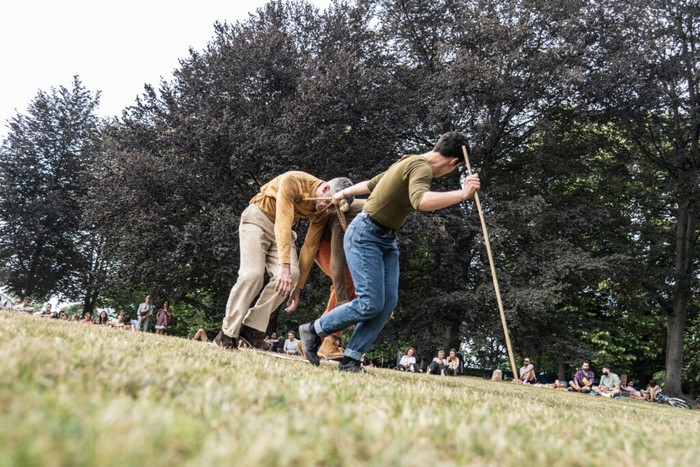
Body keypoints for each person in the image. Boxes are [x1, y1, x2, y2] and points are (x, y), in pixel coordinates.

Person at [299, 132, 481, 373]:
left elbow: (372, 184)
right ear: (453, 163)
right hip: (366, 234)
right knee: (370, 302)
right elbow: (421, 201)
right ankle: (313, 330)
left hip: (385, 240)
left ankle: (351, 359)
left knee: (385, 305)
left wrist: (342, 193)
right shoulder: (421, 168)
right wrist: (462, 194)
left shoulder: (407, 161)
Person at [214, 172, 353, 351]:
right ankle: (227, 334)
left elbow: (310, 247)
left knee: (293, 275)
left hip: (283, 233)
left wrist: (298, 287)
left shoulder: (322, 210)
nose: (327, 210)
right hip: (257, 220)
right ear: (326, 188)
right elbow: (283, 221)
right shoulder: (293, 181)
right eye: (328, 204)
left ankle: (252, 329)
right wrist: (284, 267)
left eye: (333, 209)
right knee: (252, 275)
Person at [314, 197, 366, 360]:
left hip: (344, 248)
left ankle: (312, 338)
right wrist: (343, 305)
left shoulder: (385, 215)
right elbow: (337, 260)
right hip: (325, 244)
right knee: (345, 283)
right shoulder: (349, 214)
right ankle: (330, 340)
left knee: (353, 287)